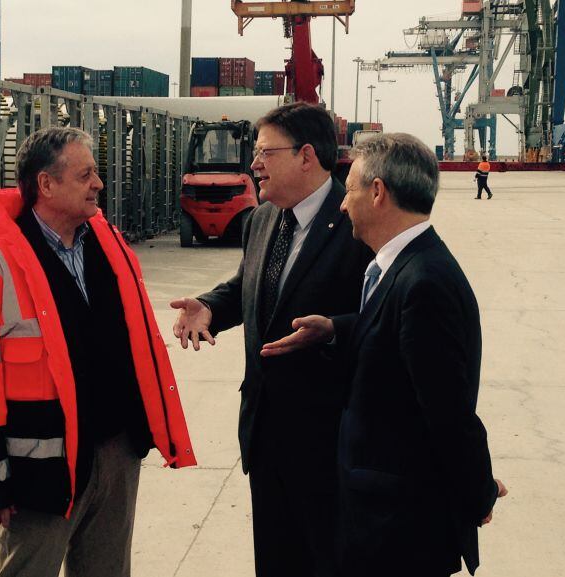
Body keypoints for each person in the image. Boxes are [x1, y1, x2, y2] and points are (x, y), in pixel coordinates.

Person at [0, 126, 196, 577]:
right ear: (46, 184)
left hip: (116, 453)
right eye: (86, 175)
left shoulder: (111, 247)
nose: (99, 184)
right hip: (39, 472)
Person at [262, 133, 507, 577]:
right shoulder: (402, 267)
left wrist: (477, 493)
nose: (341, 204)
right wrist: (336, 328)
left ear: (377, 193)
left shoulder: (425, 282)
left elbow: (449, 415)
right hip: (378, 515)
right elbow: (400, 339)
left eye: (349, 190)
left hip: (399, 529)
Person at [171, 102, 371, 577]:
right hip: (265, 436)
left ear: (306, 156)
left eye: (264, 153)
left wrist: (334, 329)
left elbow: (388, 317)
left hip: (329, 444)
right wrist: (212, 307)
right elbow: (249, 285)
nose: (253, 164)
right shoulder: (262, 219)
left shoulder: (357, 224)